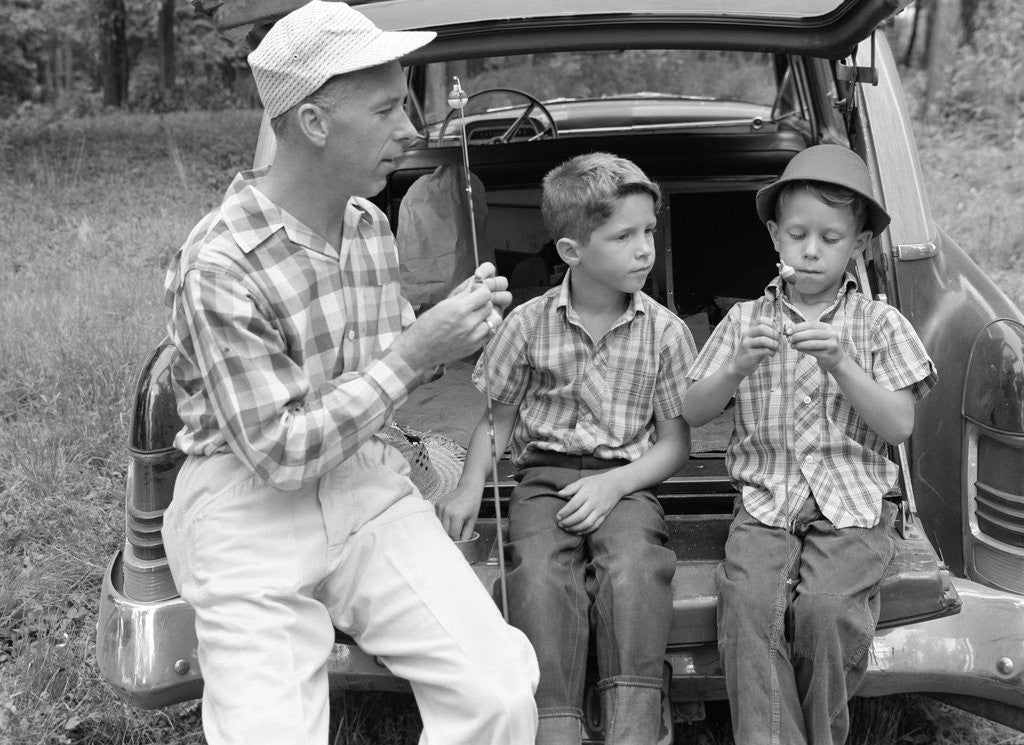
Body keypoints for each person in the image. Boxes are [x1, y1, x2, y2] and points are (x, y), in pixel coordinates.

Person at [159, 2, 539, 744]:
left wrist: (460, 333)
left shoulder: (369, 225)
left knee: (498, 693)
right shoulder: (219, 266)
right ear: (313, 123)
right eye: (391, 107)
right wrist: (417, 352)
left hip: (366, 481)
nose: (415, 129)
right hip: (247, 506)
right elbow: (282, 452)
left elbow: (379, 363)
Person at [681, 144, 938, 745]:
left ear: (859, 245)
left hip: (853, 506)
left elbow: (899, 425)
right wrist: (735, 367)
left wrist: (845, 365)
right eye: (797, 234)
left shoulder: (879, 323)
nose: (812, 249)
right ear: (775, 237)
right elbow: (693, 409)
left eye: (830, 236)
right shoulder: (746, 320)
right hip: (767, 502)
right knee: (747, 609)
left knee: (825, 613)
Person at [437, 152, 696, 745]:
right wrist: (470, 484)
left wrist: (616, 485)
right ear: (572, 252)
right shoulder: (525, 325)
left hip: (626, 481)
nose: (644, 249)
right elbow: (497, 420)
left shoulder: (666, 331)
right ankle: (554, 724)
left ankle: (634, 725)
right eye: (623, 235)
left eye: (650, 232)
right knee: (536, 576)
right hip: (542, 480)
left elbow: (675, 442)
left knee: (635, 568)